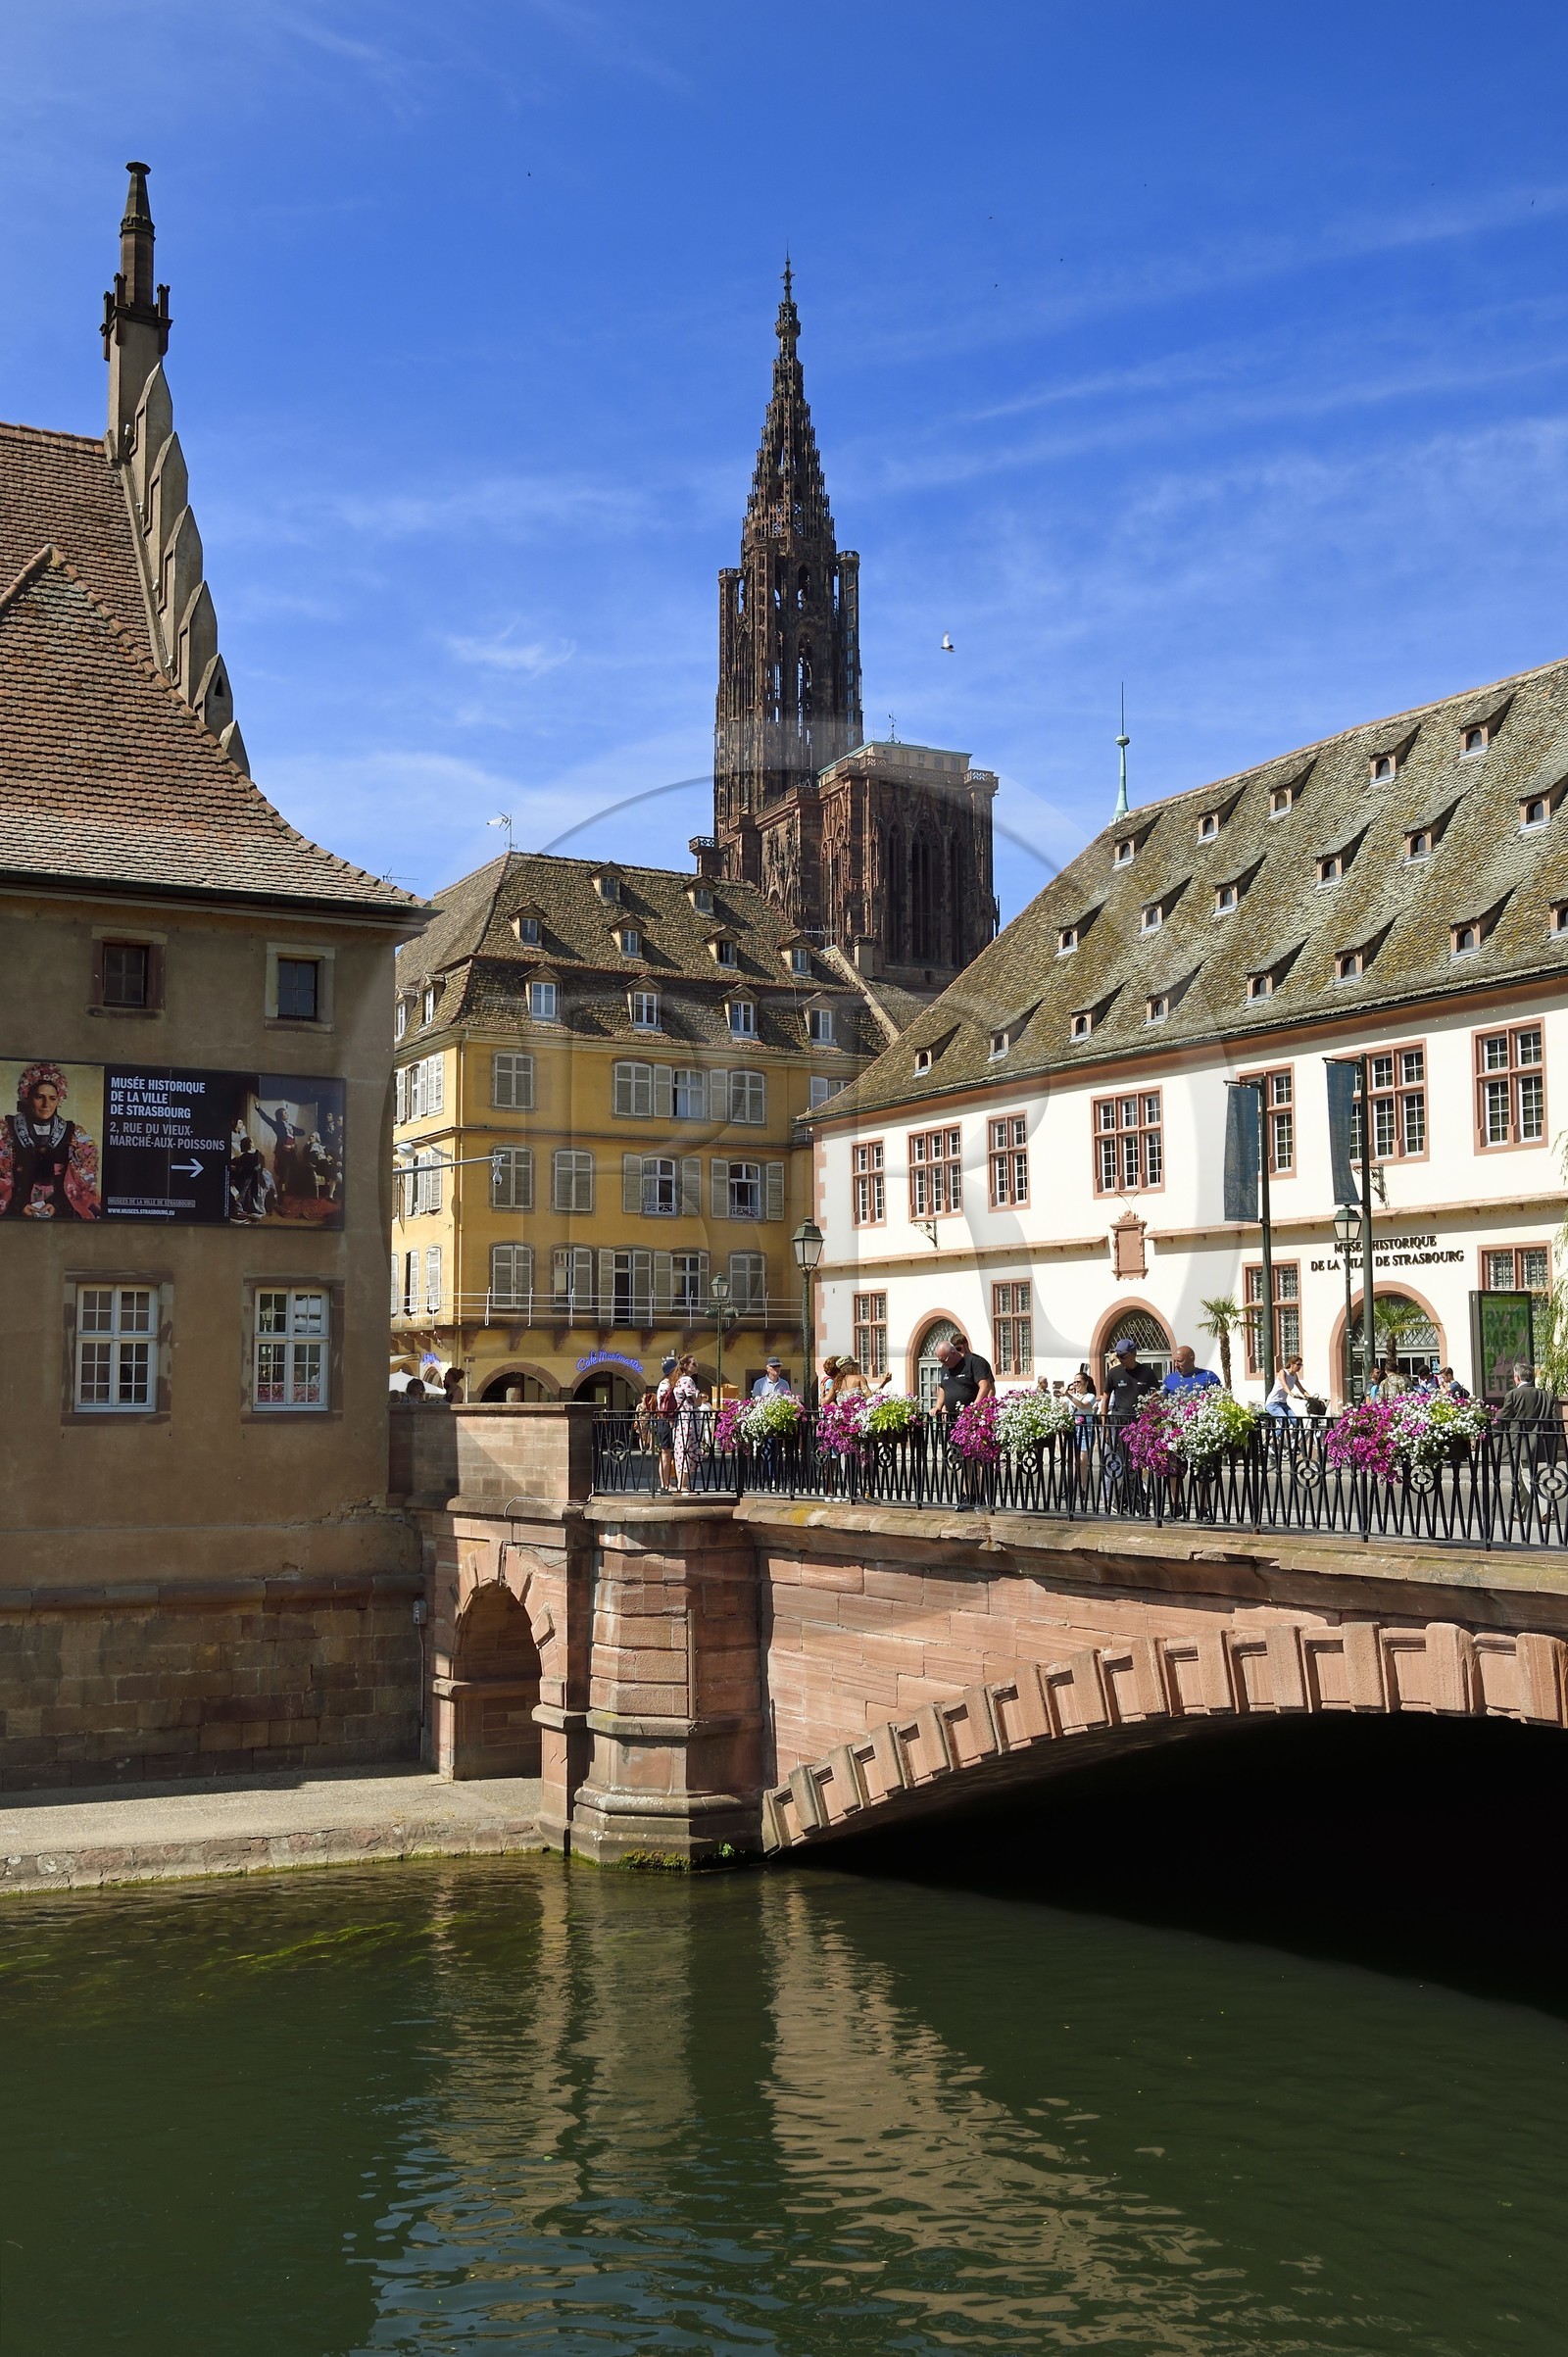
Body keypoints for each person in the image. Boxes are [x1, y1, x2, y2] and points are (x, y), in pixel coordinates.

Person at [0, 1062, 101, 1219]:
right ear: (27, 1096)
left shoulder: (74, 1134)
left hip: (61, 1211)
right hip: (14, 1210)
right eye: (40, 1097)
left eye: (52, 1098)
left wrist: (57, 1206)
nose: (46, 1105)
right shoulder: (6, 1129)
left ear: (58, 1100)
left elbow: (84, 1183)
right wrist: (19, 1205)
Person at [1103, 1336, 1158, 1428]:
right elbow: (1105, 1397)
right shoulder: (1113, 1373)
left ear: (1134, 1354)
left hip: (1140, 1418)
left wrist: (1151, 1408)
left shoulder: (1147, 1372)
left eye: (1123, 1356)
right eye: (1118, 1356)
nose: (1120, 1359)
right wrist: (1104, 1424)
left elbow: (1157, 1394)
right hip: (1120, 1418)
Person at [935, 1335, 994, 1416]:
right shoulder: (944, 1368)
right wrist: (939, 1406)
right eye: (940, 1361)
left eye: (945, 1360)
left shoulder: (975, 1362)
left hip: (970, 1417)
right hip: (951, 1418)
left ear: (953, 1352)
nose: (943, 1363)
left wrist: (975, 1408)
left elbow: (987, 1387)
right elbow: (943, 1388)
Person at [671, 1353, 704, 1493]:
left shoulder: (679, 1380)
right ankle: (683, 1485)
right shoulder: (687, 1380)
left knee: (682, 1450)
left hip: (682, 1419)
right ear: (686, 1366)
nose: (696, 1366)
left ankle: (681, 1484)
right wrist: (699, 1395)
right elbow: (697, 1401)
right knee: (687, 1450)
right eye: (693, 1364)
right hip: (687, 1419)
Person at [654, 1354, 679, 1493]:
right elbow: (666, 1405)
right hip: (665, 1420)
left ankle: (666, 1482)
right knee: (666, 1452)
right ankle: (665, 1484)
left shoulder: (668, 1384)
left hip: (666, 1420)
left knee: (667, 1453)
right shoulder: (665, 1385)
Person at [1264, 1353, 1311, 1420]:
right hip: (1273, 1403)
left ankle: (1292, 1431)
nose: (1299, 1367)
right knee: (1284, 1420)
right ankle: (1278, 1431)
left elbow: (1301, 1388)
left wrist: (1309, 1396)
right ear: (1292, 1364)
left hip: (1283, 1403)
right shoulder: (1283, 1372)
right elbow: (1284, 1385)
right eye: (1298, 1364)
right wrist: (1292, 1394)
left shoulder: (1294, 1376)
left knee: (1295, 1420)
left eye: (1301, 1365)